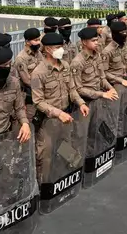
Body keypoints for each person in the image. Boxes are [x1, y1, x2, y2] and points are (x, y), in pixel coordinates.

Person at [30, 33, 90, 183]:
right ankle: (44, 186)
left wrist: (80, 102)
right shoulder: (39, 73)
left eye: (61, 47)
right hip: (48, 121)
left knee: (66, 147)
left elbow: (72, 89)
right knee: (46, 155)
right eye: (57, 47)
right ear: (48, 49)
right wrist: (58, 113)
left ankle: (68, 177)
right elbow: (38, 102)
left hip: (66, 117)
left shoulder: (65, 66)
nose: (61, 50)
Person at [71, 27, 118, 102]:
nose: (97, 42)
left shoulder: (97, 56)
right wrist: (101, 94)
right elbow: (79, 89)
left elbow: (102, 78)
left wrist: (111, 89)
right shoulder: (77, 62)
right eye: (93, 41)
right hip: (87, 100)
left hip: (100, 95)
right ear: (84, 42)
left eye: (97, 40)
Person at [14, 28, 44, 122]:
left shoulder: (39, 53)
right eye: (35, 40)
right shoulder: (21, 58)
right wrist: (42, 86)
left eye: (39, 40)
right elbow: (27, 80)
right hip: (29, 96)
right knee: (31, 122)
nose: (38, 42)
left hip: (41, 94)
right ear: (27, 42)